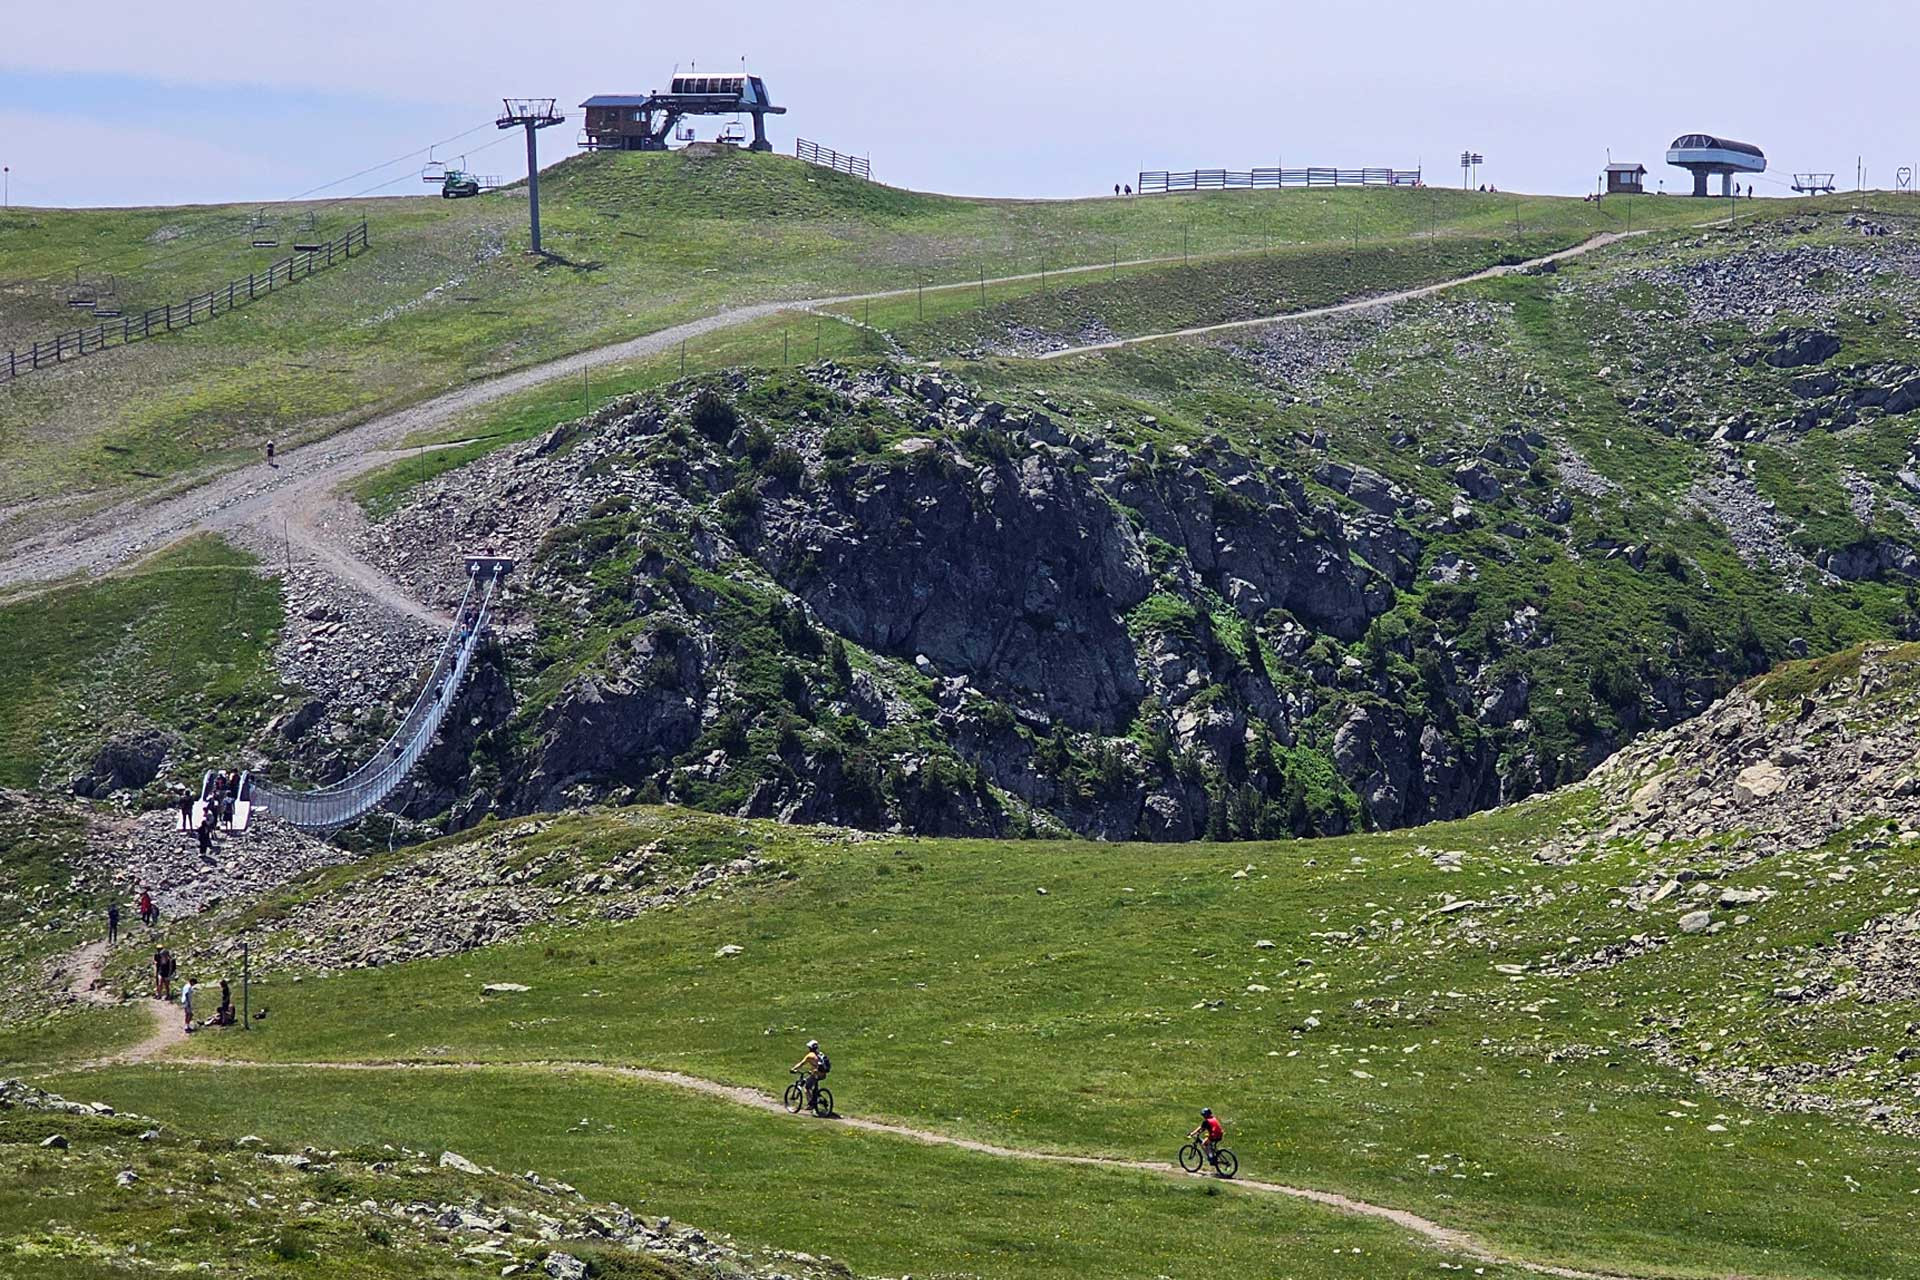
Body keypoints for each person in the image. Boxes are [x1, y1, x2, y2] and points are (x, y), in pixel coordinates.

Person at [790, 1039, 828, 1110]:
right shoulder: (820, 1054)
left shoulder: (810, 1056)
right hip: (823, 1074)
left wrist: (793, 1069)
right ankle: (816, 1098)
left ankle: (811, 1104)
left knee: (807, 1088)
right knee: (812, 1084)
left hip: (816, 1074)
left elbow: (801, 1064)